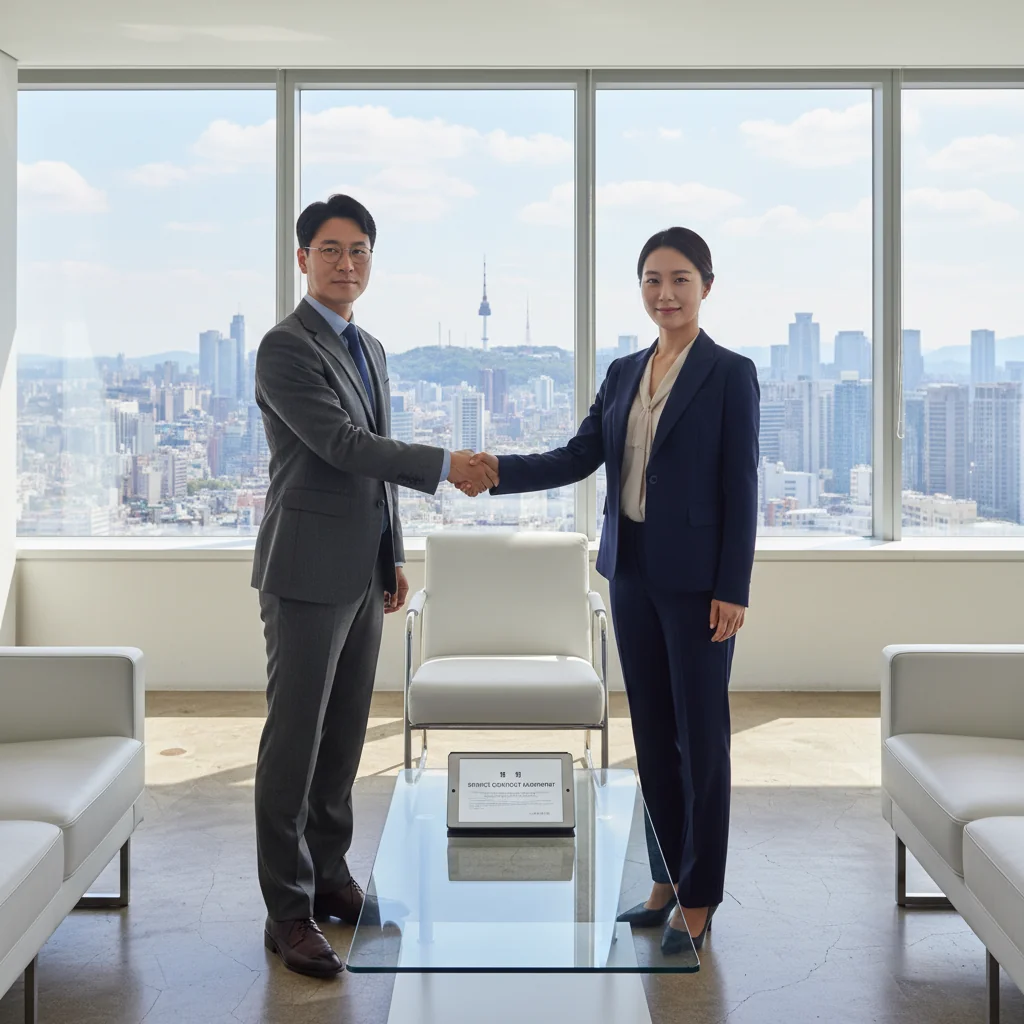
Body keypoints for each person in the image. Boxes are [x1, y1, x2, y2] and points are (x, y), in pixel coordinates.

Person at [469, 227, 758, 954]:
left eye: (681, 279)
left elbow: (741, 486)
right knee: (653, 739)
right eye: (654, 280)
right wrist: (494, 470)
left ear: (707, 287)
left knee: (703, 739)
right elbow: (577, 455)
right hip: (629, 574)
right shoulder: (626, 371)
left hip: (699, 588)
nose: (666, 293)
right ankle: (664, 877)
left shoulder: (729, 373)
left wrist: (734, 585)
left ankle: (701, 894)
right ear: (641, 289)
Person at [251, 193, 497, 977]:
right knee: (294, 742)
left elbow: (369, 469)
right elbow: (342, 444)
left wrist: (390, 555)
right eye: (330, 250)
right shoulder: (283, 348)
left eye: (358, 251)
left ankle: (329, 877)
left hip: (361, 569)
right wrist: (444, 466)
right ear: (302, 259)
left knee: (345, 737)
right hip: (303, 570)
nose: (345, 264)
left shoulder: (371, 346)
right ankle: (286, 912)